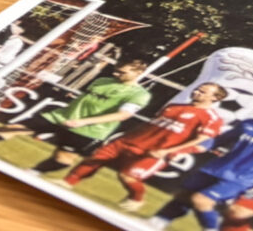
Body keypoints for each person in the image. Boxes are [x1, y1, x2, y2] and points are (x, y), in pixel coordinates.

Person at [63, 82, 229, 211]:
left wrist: (169, 151)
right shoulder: (174, 106)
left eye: (202, 92)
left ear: (215, 98)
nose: (196, 92)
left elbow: (201, 140)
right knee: (95, 158)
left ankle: (137, 199)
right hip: (130, 141)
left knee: (128, 177)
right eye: (197, 89)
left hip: (155, 152)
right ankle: (67, 183)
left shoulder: (211, 117)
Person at [0, 58, 154, 172]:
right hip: (60, 117)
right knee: (13, 128)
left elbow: (122, 116)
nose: (116, 73)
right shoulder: (104, 80)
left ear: (138, 72)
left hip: (89, 129)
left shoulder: (139, 94)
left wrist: (83, 121)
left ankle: (33, 173)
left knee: (63, 159)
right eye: (116, 69)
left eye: (122, 72)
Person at [154, 97, 253, 230]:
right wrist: (184, 150)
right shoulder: (250, 123)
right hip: (216, 168)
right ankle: (158, 222)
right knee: (184, 195)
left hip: (243, 178)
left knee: (201, 200)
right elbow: (218, 141)